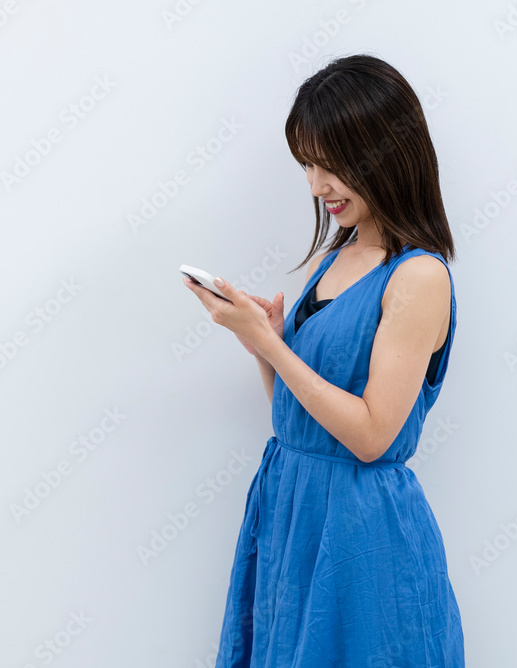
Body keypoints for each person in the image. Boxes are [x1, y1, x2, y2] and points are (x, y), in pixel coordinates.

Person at [182, 53, 465, 666]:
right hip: (293, 510)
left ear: (386, 153)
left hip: (360, 537)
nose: (316, 185)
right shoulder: (336, 257)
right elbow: (299, 419)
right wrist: (263, 345)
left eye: (331, 165)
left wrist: (272, 347)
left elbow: (370, 436)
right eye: (308, 164)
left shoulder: (418, 277)